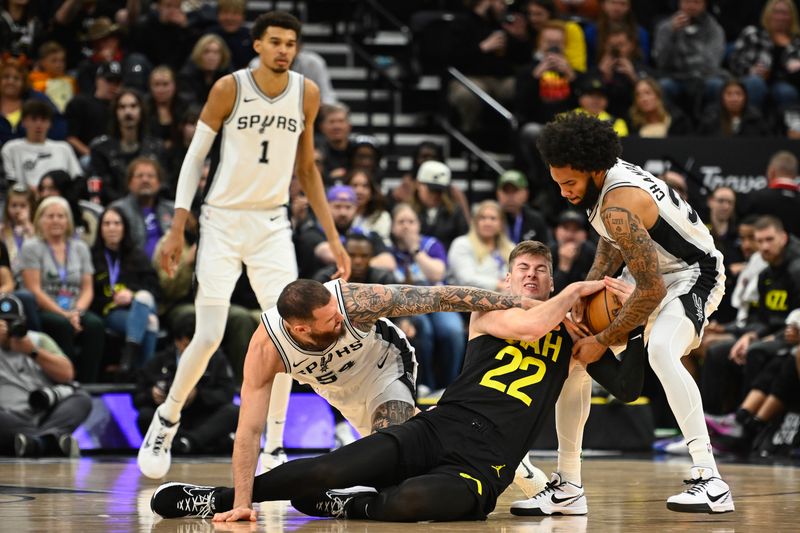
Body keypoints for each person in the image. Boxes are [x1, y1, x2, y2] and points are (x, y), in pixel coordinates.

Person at [150, 240, 645, 522]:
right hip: (438, 427)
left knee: (409, 500)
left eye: (542, 271)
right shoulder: (492, 314)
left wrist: (631, 325)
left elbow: (627, 386)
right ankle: (217, 500)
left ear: (552, 281)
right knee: (327, 468)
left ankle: (352, 505)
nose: (533, 277)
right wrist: (578, 292)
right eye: (523, 270)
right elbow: (533, 322)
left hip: (477, 457)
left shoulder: (578, 338)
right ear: (507, 282)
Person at [137, 11, 350, 480]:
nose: (283, 50)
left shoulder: (306, 93)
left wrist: (334, 239)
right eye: (275, 41)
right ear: (256, 44)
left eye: (291, 43)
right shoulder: (229, 88)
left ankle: (274, 446)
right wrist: (177, 226)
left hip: (272, 224)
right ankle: (167, 419)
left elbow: (308, 172)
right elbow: (195, 158)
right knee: (209, 334)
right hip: (221, 221)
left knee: (286, 333)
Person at [529, 112, 734, 513]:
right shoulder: (605, 190)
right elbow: (612, 242)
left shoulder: (620, 204)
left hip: (693, 274)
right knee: (572, 356)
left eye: (569, 183)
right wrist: (582, 297)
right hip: (650, 273)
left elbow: (652, 287)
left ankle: (711, 478)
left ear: (592, 170)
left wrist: (602, 339)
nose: (563, 192)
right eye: (557, 183)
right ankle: (568, 485)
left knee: (660, 349)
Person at [19, 197, 105, 383]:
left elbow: (87, 288)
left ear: (68, 221)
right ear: (40, 220)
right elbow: (34, 289)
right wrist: (65, 315)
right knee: (61, 324)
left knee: (95, 325)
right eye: (50, 216)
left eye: (61, 216)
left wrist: (76, 312)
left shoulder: (80, 247)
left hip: (75, 308)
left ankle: (89, 383)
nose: (56, 220)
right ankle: (66, 381)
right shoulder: (31, 247)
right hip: (45, 309)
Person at [0, 294, 91, 457]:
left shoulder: (38, 340)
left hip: (46, 413)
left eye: (12, 322)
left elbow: (67, 374)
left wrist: (33, 352)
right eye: (3, 322)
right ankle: (49, 441)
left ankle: (36, 443)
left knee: (82, 398)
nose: (8, 328)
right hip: (10, 418)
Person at [134, 313, 239, 455]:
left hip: (202, 418)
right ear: (177, 342)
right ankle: (192, 444)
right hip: (170, 418)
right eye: (186, 345)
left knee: (233, 412)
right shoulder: (159, 360)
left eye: (196, 346)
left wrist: (198, 395)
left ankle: (187, 443)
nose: (192, 351)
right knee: (145, 416)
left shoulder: (216, 358)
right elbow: (137, 397)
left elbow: (227, 393)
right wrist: (151, 395)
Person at [90, 207, 160, 377]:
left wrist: (132, 295)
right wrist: (113, 302)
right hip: (112, 311)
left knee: (144, 297)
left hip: (139, 306)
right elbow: (89, 292)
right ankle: (144, 373)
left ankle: (127, 361)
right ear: (100, 229)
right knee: (151, 322)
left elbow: (155, 288)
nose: (112, 228)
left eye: (117, 223)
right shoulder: (92, 255)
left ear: (124, 227)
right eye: (107, 224)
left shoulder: (137, 255)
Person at [728, 0, 800, 112]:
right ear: (768, 14)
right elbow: (734, 62)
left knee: (786, 92)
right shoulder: (753, 34)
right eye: (776, 12)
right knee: (755, 83)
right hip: (754, 80)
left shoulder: (797, 42)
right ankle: (752, 123)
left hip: (786, 82)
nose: (780, 17)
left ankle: (791, 127)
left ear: (792, 16)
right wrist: (751, 70)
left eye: (785, 13)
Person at [1, 99, 82, 189]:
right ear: (23, 122)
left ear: (50, 124)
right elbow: (10, 180)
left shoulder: (63, 148)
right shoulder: (11, 148)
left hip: (58, 199)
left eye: (43, 120)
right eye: (34, 119)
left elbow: (77, 178)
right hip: (24, 199)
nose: (38, 124)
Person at [110, 157, 175, 261]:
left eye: (150, 176)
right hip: (133, 270)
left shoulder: (173, 210)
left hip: (168, 270)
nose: (145, 180)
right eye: (139, 176)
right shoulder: (117, 211)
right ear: (129, 183)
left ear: (159, 183)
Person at [448, 200, 515, 291]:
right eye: (482, 218)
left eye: (493, 218)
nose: (487, 223)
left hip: (507, 298)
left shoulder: (510, 248)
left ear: (501, 224)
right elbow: (466, 279)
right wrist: (499, 285)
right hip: (469, 301)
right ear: (475, 222)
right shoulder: (462, 244)